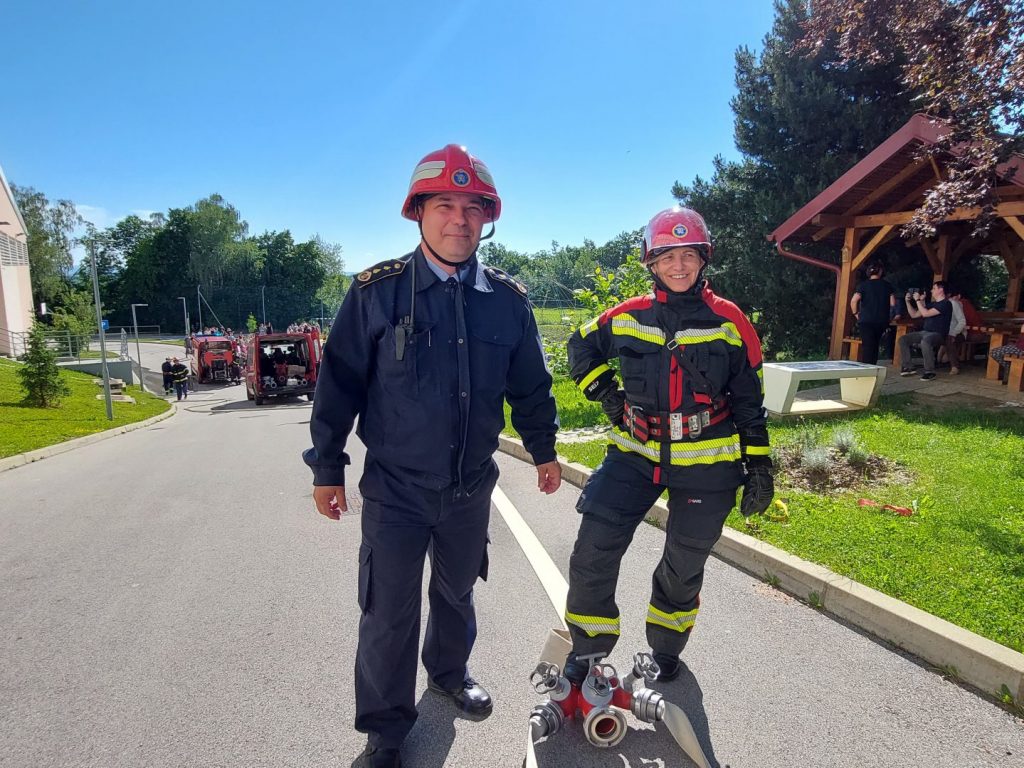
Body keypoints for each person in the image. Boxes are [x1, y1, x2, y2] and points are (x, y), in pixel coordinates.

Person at [302, 143, 561, 768]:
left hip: (470, 487)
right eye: (444, 204)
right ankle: (386, 730)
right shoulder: (376, 293)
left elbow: (530, 385)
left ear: (487, 218)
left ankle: (448, 673)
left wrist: (544, 450)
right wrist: (328, 466)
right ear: (418, 211)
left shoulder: (508, 300)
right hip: (395, 489)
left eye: (473, 208)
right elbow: (338, 383)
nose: (459, 220)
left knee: (456, 592)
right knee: (388, 611)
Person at [561, 206, 773, 687]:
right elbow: (580, 347)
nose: (679, 266)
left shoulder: (729, 321)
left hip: (707, 461)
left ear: (703, 260)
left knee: (683, 565)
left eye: (688, 255)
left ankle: (665, 648)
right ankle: (588, 648)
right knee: (593, 551)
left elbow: (749, 402)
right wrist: (609, 397)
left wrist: (760, 468)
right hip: (633, 456)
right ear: (651, 263)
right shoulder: (627, 315)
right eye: (667, 256)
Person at [898, 281, 953, 380]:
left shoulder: (946, 304)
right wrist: (908, 302)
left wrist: (918, 300)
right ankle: (908, 367)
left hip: (938, 334)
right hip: (924, 332)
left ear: (941, 290)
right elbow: (914, 315)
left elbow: (926, 314)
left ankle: (929, 371)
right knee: (903, 339)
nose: (931, 290)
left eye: (934, 288)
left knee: (926, 340)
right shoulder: (932, 304)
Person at [850, 261, 897, 364]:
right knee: (875, 345)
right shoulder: (887, 285)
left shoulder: (863, 285)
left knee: (867, 346)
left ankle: (867, 368)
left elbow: (854, 301)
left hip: (866, 320)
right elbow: (893, 303)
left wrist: (856, 313)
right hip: (881, 320)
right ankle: (873, 366)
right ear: (880, 271)